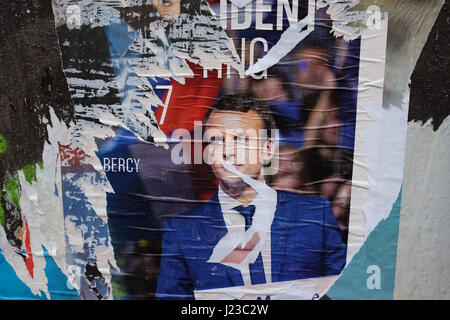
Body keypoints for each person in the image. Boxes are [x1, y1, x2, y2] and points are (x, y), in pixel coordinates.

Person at [155, 94, 346, 299]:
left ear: (267, 149)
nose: (228, 151)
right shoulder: (182, 231)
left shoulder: (315, 214)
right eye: (216, 140)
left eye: (240, 138)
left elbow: (346, 291)